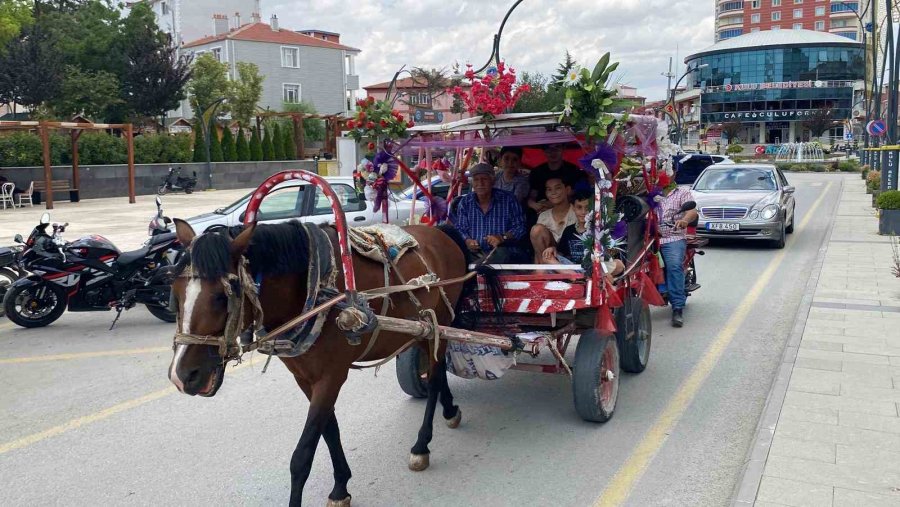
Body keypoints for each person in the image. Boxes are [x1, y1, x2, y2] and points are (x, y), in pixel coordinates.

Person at [450, 162, 528, 263]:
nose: (480, 183)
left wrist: (502, 237)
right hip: (475, 254)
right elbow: (460, 228)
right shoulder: (465, 202)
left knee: (501, 256)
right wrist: (468, 240)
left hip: (504, 252)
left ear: (492, 181)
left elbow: (520, 227)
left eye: (484, 179)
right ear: (472, 183)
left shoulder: (508, 199)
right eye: (476, 180)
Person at [657, 183, 699, 328]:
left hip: (672, 238)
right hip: (649, 238)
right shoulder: (648, 190)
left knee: (674, 266)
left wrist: (684, 221)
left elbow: (692, 211)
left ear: (673, 172)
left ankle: (677, 308)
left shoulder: (682, 191)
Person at [526, 143, 585, 215]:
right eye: (548, 148)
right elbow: (532, 195)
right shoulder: (537, 172)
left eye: (557, 147)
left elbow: (576, 195)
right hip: (541, 211)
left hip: (567, 211)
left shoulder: (574, 170)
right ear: (544, 150)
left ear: (563, 148)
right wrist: (533, 204)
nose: (553, 151)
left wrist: (554, 203)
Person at [530, 177, 576, 263]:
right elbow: (538, 249)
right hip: (548, 260)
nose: (553, 192)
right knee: (537, 230)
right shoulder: (543, 216)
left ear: (567, 190)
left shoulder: (577, 212)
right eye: (549, 189)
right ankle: (543, 270)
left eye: (557, 188)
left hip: (571, 257)